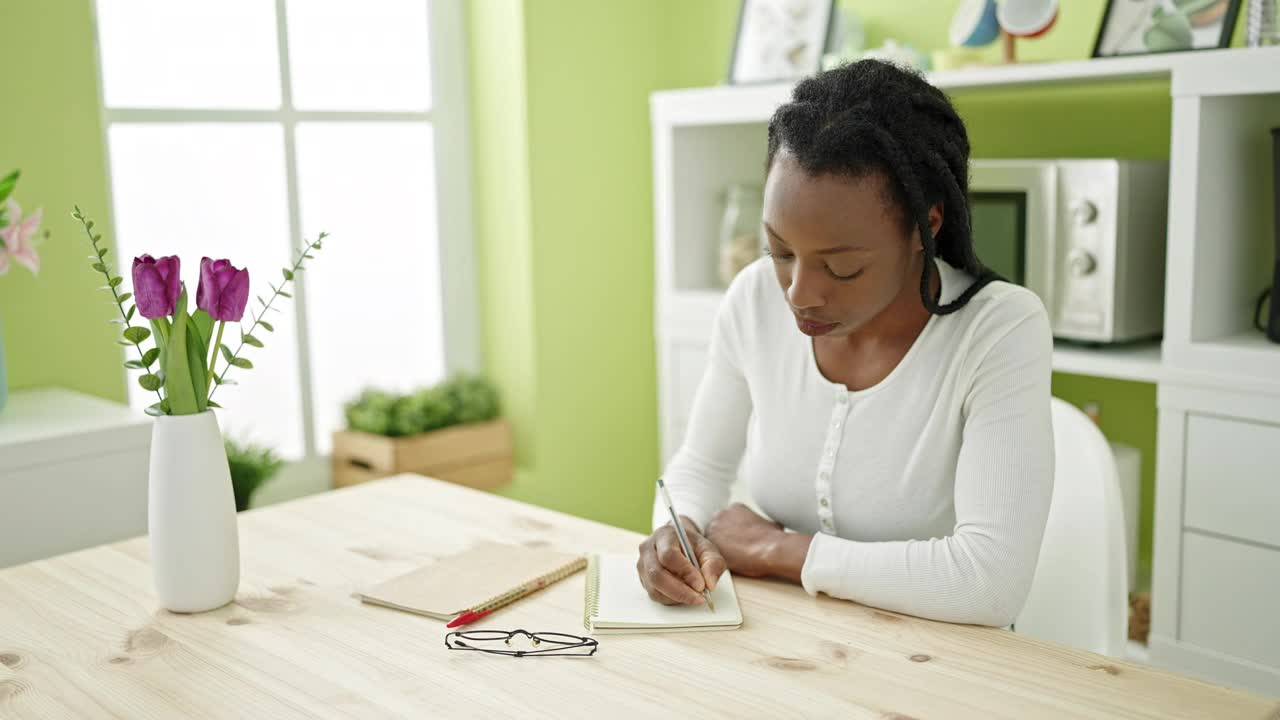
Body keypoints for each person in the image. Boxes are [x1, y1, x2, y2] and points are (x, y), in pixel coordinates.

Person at [636, 59, 1054, 627]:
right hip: (793, 645)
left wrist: (779, 551)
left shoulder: (999, 330)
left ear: (926, 226)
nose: (799, 294)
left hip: (945, 667)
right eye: (780, 251)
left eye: (842, 268)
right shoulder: (754, 299)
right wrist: (678, 529)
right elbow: (702, 465)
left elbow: (989, 582)